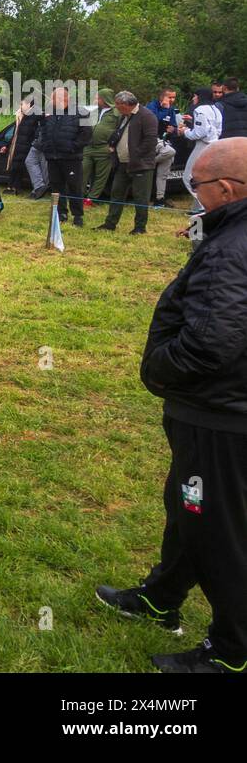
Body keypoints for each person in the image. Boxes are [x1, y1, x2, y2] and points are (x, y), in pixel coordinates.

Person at [96, 138, 247, 673]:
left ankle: (234, 652)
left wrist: (159, 366)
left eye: (198, 189)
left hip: (220, 415)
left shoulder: (233, 250)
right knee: (187, 506)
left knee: (216, 527)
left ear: (226, 189)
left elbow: (212, 342)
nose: (192, 200)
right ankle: (162, 596)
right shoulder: (230, 232)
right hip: (216, 409)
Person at [96, 90, 158, 235]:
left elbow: (150, 141)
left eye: (118, 104)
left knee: (140, 197)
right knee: (116, 193)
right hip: (122, 163)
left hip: (140, 165)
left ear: (126, 104)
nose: (116, 107)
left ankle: (140, 227)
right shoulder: (124, 116)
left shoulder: (147, 116)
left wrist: (135, 156)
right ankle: (110, 223)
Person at [37, 85, 90, 226]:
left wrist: (73, 147)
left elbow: (87, 134)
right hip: (52, 157)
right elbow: (42, 130)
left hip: (71, 158)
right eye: (53, 98)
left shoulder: (82, 112)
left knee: (74, 186)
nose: (53, 100)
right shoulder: (48, 112)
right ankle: (61, 213)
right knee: (56, 187)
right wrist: (44, 146)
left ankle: (78, 215)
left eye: (56, 98)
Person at [179, 88, 222, 212]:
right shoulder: (216, 109)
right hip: (215, 144)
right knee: (206, 176)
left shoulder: (199, 110)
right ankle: (197, 208)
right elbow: (214, 128)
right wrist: (193, 121)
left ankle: (204, 206)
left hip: (202, 145)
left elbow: (199, 133)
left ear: (200, 97)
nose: (193, 98)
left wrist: (185, 131)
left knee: (188, 177)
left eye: (195, 96)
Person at [82, 88, 121, 204]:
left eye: (98, 98)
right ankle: (79, 196)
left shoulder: (117, 112)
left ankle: (91, 199)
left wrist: (113, 145)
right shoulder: (93, 110)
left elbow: (120, 130)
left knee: (101, 176)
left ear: (105, 99)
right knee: (82, 171)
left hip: (104, 148)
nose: (95, 100)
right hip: (88, 147)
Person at [147, 88, 180, 207]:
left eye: (174, 97)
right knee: (171, 152)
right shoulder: (152, 106)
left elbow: (174, 126)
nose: (172, 100)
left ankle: (159, 199)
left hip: (165, 140)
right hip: (152, 139)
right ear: (162, 97)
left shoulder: (171, 109)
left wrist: (173, 129)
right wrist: (165, 110)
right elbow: (153, 121)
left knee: (163, 174)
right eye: (170, 97)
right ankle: (150, 162)